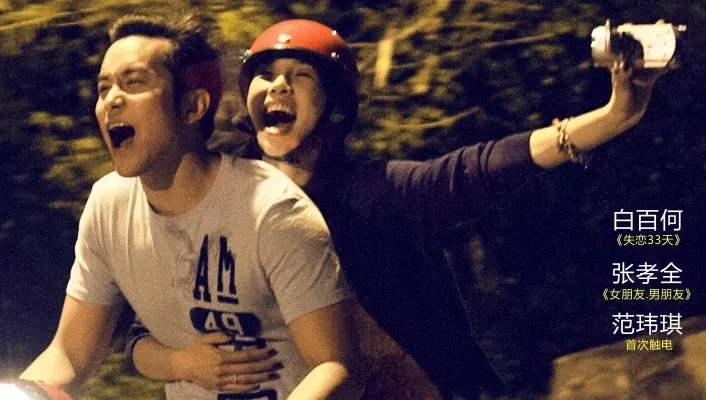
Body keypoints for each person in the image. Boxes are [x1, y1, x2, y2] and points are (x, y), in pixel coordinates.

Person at [127, 19, 666, 399]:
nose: (279, 86)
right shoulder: (211, 198)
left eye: (300, 75)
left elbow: (482, 167)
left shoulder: (378, 193)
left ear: (334, 107)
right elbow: (136, 334)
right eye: (266, 75)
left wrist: (614, 115)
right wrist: (179, 361)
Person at [19, 13, 364, 400]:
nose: (111, 100)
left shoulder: (272, 210)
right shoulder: (107, 206)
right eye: (104, 88)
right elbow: (69, 355)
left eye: (133, 83)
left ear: (193, 107)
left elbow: (337, 367)